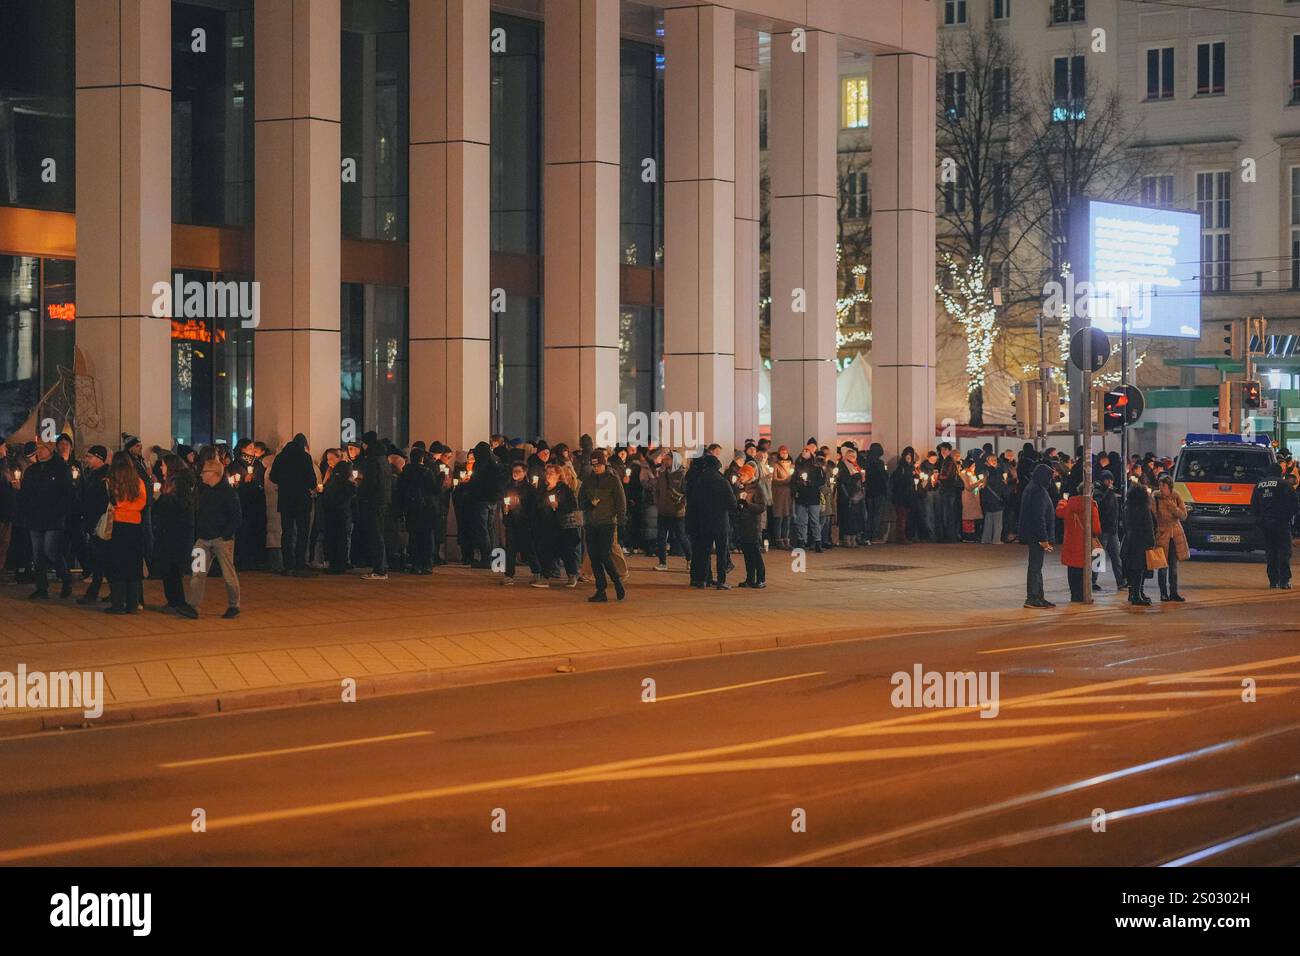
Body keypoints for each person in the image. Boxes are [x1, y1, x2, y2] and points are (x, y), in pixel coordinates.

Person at [18, 442, 75, 600]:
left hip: (53, 518)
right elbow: (25, 494)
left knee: (51, 550)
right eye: (39, 449)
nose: (40, 452)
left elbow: (67, 492)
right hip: (35, 518)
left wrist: (61, 512)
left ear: (50, 451)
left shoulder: (60, 468)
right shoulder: (32, 471)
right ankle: (42, 587)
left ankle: (65, 579)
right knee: (37, 554)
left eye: (43, 449)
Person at [189, 457, 243, 618]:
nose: (201, 475)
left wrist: (225, 535)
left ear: (214, 473)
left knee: (228, 575)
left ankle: (234, 605)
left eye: (205, 472)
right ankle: (193, 606)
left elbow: (236, 516)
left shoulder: (227, 492)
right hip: (203, 538)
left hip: (221, 539)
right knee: (197, 573)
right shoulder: (203, 490)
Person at [152, 460, 199, 617]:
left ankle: (178, 602)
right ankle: (173, 601)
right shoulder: (176, 484)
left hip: (176, 536)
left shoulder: (180, 486)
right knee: (169, 570)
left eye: (164, 465)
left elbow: (173, 507)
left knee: (173, 571)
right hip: (173, 534)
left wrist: (159, 498)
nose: (161, 468)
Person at [579, 449, 625, 602]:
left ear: (604, 464)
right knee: (594, 556)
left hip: (607, 523)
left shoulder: (612, 479)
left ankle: (617, 581)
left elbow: (621, 501)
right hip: (591, 524)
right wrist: (589, 504)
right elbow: (581, 501)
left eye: (598, 465)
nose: (596, 468)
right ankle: (601, 590)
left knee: (605, 555)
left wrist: (621, 520)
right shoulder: (588, 480)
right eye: (594, 466)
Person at [269, 434, 318, 576]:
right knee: (303, 533)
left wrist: (284, 483)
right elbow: (312, 480)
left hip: (285, 499)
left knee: (287, 532)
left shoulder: (281, 457)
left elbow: (273, 477)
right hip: (302, 500)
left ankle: (287, 564)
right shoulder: (305, 457)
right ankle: (300, 564)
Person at [105, 451, 147, 615]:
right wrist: (130, 508)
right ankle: (133, 604)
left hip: (117, 524)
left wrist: (120, 507)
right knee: (133, 566)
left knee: (117, 564)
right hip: (135, 525)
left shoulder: (112, 480)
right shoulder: (138, 481)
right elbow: (142, 501)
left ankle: (117, 604)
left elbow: (112, 501)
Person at [686, 447, 733, 589]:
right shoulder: (722, 481)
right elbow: (732, 503)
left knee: (703, 550)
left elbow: (694, 500)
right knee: (721, 552)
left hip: (703, 521)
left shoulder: (699, 480)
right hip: (719, 521)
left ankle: (702, 580)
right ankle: (721, 581)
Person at [1252, 462, 1298, 589]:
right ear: (1280, 472)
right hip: (1281, 523)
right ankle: (1284, 581)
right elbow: (1294, 505)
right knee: (1284, 551)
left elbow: (1254, 506)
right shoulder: (1285, 485)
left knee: (1270, 551)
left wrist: (1260, 521)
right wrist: (1288, 518)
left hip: (1265, 524)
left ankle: (1273, 580)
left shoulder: (1259, 486)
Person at [533, 463, 580, 588]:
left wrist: (558, 506)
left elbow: (572, 506)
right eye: (547, 473)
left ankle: (572, 575)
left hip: (561, 527)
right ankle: (545, 578)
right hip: (547, 526)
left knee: (566, 552)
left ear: (558, 475)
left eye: (551, 473)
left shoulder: (563, 488)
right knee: (545, 552)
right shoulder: (543, 489)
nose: (548, 476)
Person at [1019, 462, 1056, 609]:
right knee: (1035, 566)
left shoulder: (1032, 487)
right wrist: (1044, 538)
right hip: (1036, 535)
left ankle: (1039, 596)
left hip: (1032, 533)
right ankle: (1033, 597)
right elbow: (1038, 516)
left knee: (1036, 566)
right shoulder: (1038, 491)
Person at [1055, 488, 1101, 603]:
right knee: (1086, 569)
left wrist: (1062, 501)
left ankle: (1074, 594)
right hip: (1084, 544)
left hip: (1071, 542)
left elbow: (1059, 512)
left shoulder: (1070, 504)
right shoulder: (1091, 506)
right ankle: (1083, 594)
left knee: (1072, 569)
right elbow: (1096, 529)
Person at [501, 460, 541, 585]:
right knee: (510, 549)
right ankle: (509, 575)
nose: (515, 473)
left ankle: (537, 573)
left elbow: (533, 507)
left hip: (525, 523)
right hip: (512, 522)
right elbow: (504, 502)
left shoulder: (529, 489)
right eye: (514, 471)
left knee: (529, 549)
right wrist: (506, 510)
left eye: (518, 471)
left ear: (524, 473)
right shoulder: (509, 487)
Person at [1152, 475, 1189, 602]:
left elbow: (1183, 515)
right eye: (1160, 485)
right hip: (1162, 535)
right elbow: (1154, 516)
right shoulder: (1155, 498)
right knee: (1162, 566)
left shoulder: (1176, 496)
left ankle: (1174, 592)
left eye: (1164, 486)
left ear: (1170, 487)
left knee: (1173, 567)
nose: (1161, 488)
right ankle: (1163, 593)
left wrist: (1172, 506)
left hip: (1175, 535)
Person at [652, 450, 691, 571]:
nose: (665, 461)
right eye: (665, 459)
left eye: (668, 459)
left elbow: (686, 493)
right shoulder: (662, 474)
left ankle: (690, 559)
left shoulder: (683, 475)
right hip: (663, 511)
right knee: (661, 537)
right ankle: (662, 562)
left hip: (677, 512)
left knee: (681, 536)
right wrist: (658, 504)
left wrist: (681, 506)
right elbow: (657, 490)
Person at [734, 463, 768, 588]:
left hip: (753, 524)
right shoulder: (741, 487)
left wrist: (747, 504)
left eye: (742, 474)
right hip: (743, 524)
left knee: (755, 552)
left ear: (749, 475)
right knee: (747, 553)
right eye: (739, 474)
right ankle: (750, 578)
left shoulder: (757, 488)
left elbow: (761, 506)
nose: (740, 476)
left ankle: (761, 578)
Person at [321, 457, 357, 575]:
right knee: (342, 540)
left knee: (332, 539)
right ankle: (341, 564)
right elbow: (352, 496)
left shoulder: (331, 481)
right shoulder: (347, 484)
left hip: (330, 514)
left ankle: (333, 563)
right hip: (342, 514)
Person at [1121, 483, 1155, 606]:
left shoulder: (1127, 507)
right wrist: (1151, 542)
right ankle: (1137, 595)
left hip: (1129, 541)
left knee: (1131, 569)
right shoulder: (1144, 509)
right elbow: (1148, 526)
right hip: (1140, 542)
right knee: (1139, 569)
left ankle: (1133, 594)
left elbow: (1123, 525)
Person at [790, 441, 824, 552]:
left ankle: (817, 542)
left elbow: (821, 481)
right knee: (801, 520)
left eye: (807, 450)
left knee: (814, 520)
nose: (804, 452)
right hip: (801, 496)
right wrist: (795, 490)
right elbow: (793, 480)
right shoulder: (798, 464)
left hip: (813, 497)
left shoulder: (816, 466)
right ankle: (801, 541)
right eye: (803, 450)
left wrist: (810, 483)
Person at [1095, 471, 1124, 592]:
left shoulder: (1111, 493)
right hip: (1103, 530)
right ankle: (1092, 581)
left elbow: (1116, 511)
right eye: (1108, 480)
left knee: (1116, 557)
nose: (1110, 482)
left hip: (1112, 530)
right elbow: (1102, 508)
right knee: (1098, 556)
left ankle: (1121, 581)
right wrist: (1109, 492)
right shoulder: (1098, 492)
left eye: (1111, 480)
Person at [890, 448, 917, 544]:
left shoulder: (911, 468)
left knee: (906, 517)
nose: (909, 459)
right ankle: (901, 537)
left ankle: (907, 535)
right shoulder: (901, 468)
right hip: (902, 496)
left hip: (908, 496)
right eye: (907, 457)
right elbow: (900, 482)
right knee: (902, 517)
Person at [863, 442, 889, 544]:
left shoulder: (866, 462)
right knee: (877, 514)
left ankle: (867, 535)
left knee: (869, 514)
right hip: (879, 490)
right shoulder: (879, 463)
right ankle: (874, 535)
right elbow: (884, 476)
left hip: (869, 490)